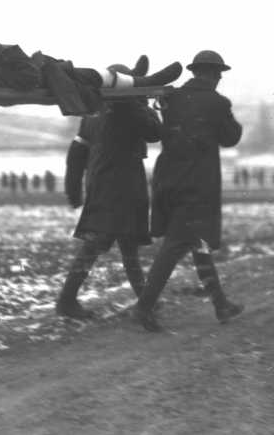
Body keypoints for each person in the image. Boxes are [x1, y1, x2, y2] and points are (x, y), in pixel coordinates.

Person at [134, 50, 244, 331]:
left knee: (198, 243)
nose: (220, 78)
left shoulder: (171, 98)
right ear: (211, 74)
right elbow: (231, 137)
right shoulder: (218, 103)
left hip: (168, 181)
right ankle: (143, 308)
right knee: (176, 246)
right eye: (218, 73)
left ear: (195, 71)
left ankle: (221, 305)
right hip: (196, 185)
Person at [57, 56, 162, 319]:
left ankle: (143, 299)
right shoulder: (129, 109)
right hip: (123, 186)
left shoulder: (94, 113)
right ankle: (67, 301)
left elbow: (76, 153)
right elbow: (154, 132)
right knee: (119, 246)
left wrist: (73, 189)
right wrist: (146, 104)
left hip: (102, 185)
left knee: (108, 245)